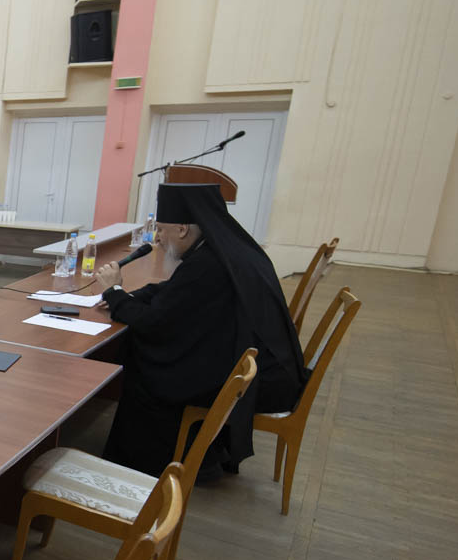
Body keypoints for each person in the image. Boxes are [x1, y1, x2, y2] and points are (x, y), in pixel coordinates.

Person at [95, 182, 307, 477]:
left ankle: (144, 465)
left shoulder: (206, 264)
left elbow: (156, 324)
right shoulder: (220, 250)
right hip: (261, 365)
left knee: (143, 364)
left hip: (254, 381)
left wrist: (115, 292)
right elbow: (174, 292)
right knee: (144, 352)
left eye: (162, 230)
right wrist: (130, 297)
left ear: (182, 229)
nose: (158, 238)